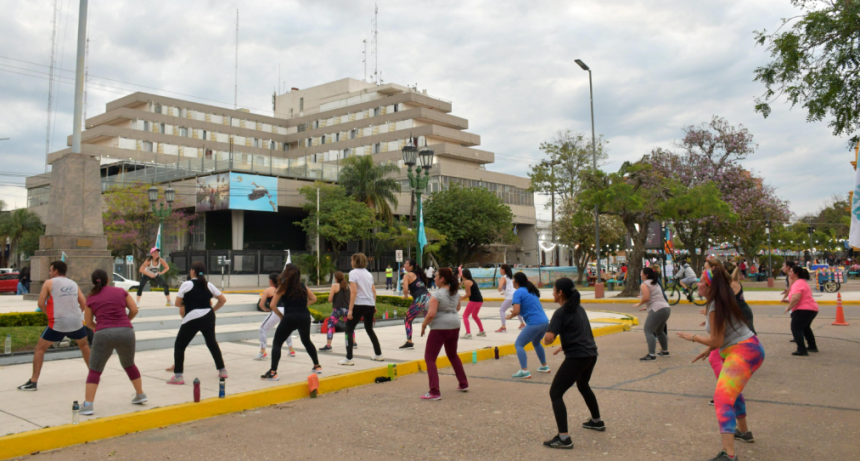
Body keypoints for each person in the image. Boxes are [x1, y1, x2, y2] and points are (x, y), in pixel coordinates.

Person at [677, 267, 764, 461]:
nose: (697, 284)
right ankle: (744, 432)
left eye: (700, 281)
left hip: (744, 351)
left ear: (709, 286)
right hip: (746, 348)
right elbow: (723, 335)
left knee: (722, 398)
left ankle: (729, 455)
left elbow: (716, 340)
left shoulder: (716, 305)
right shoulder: (718, 302)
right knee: (732, 392)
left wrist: (692, 337)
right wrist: (708, 350)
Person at [541, 278, 603, 449]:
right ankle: (597, 421)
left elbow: (548, 338)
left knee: (555, 393)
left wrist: (546, 340)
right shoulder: (579, 309)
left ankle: (563, 438)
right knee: (583, 385)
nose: (553, 293)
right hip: (591, 354)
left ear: (560, 293)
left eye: (554, 290)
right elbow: (581, 332)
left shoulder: (561, 312)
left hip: (577, 357)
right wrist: (564, 345)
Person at [80, 269, 146, 415]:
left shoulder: (91, 297)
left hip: (103, 333)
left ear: (93, 282)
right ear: (108, 279)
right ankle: (140, 394)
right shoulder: (121, 291)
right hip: (126, 332)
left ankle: (88, 405)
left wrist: (100, 328)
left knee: (95, 369)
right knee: (129, 364)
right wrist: (124, 322)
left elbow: (89, 322)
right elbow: (134, 309)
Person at [18, 261, 91, 391]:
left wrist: (49, 315)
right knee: (84, 346)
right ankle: (94, 375)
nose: (49, 272)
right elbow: (84, 303)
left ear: (56, 271)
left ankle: (33, 382)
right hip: (76, 322)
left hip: (58, 322)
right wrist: (75, 315)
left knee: (40, 349)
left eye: (50, 270)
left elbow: (40, 304)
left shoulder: (49, 283)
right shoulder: (74, 283)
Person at [167, 261, 227, 385]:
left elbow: (177, 303)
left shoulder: (186, 284)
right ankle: (222, 370)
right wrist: (211, 310)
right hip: (209, 317)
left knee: (179, 345)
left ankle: (178, 375)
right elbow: (222, 300)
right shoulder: (209, 285)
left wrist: (189, 303)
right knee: (212, 343)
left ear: (193, 271)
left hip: (192, 318)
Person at [260, 263, 322, 380]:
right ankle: (317, 366)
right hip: (304, 316)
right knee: (306, 341)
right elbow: (314, 298)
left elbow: (273, 305)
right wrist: (302, 306)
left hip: (290, 317)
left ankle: (273, 372)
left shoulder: (283, 287)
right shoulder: (302, 286)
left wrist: (281, 316)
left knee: (277, 342)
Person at [419, 267, 469, 400]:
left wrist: (423, 325)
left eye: (436, 276)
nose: (434, 278)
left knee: (430, 358)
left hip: (440, 327)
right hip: (455, 324)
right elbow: (457, 308)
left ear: (442, 279)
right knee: (452, 355)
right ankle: (463, 383)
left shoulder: (437, 295)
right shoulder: (455, 292)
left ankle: (434, 391)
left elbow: (431, 314)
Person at [339, 253, 384, 365]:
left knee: (349, 329)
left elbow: (354, 292)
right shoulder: (368, 274)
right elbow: (373, 291)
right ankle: (378, 354)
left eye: (351, 260)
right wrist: (373, 305)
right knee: (369, 329)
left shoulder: (353, 273)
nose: (351, 262)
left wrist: (350, 310)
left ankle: (349, 358)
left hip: (359, 304)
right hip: (369, 304)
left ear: (355, 262)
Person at [509, 272, 550, 378]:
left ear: (517, 282)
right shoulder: (530, 290)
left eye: (513, 279)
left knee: (519, 344)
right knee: (536, 342)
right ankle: (544, 366)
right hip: (544, 322)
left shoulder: (518, 292)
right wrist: (514, 312)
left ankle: (524, 371)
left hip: (535, 323)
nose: (512, 281)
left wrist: (511, 316)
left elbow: (516, 310)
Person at [253, 273, 294, 361]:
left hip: (276, 310)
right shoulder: (283, 289)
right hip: (286, 310)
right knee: (285, 330)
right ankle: (291, 350)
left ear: (270, 281)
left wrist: (265, 309)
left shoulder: (268, 290)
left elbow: (261, 304)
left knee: (262, 329)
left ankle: (262, 351)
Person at [633, 266, 671, 361]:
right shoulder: (655, 283)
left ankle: (651, 355)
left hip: (658, 309)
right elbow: (657, 297)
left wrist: (639, 303)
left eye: (641, 273)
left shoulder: (644, 284)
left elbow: (646, 297)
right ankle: (665, 351)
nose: (640, 274)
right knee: (659, 331)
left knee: (648, 331)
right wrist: (647, 307)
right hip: (666, 308)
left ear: (646, 275)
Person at [783, 265, 819, 356]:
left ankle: (802, 350)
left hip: (804, 309)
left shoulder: (798, 283)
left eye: (791, 271)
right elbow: (800, 298)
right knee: (805, 328)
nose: (789, 273)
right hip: (810, 308)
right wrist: (789, 301)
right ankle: (812, 346)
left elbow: (796, 298)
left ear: (796, 274)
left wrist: (788, 308)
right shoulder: (801, 282)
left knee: (796, 328)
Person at [320, 271, 355, 352]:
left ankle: (328, 345)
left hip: (337, 310)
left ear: (335, 278)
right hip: (347, 309)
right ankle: (353, 342)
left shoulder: (335, 286)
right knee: (349, 326)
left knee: (330, 325)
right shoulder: (348, 286)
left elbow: (330, 299)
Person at [400, 259, 430, 349]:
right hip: (428, 297)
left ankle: (409, 342)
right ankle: (441, 337)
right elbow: (418, 288)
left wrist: (405, 295)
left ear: (411, 266)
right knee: (429, 319)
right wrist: (410, 294)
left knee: (407, 319)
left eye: (406, 263)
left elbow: (405, 289)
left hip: (420, 300)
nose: (404, 265)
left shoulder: (407, 275)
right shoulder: (418, 274)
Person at [496, 264, 524, 333]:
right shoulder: (510, 278)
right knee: (516, 310)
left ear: (503, 270)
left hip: (510, 297)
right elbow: (510, 288)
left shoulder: (503, 278)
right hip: (515, 295)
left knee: (502, 310)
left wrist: (500, 289)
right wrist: (504, 292)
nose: (499, 270)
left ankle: (503, 327)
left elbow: (500, 287)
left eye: (500, 269)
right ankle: (522, 324)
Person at [459, 268, 485, 339]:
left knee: (465, 316)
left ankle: (468, 333)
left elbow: (468, 294)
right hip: (479, 300)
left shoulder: (467, 282)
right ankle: (482, 331)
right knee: (474, 315)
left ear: (464, 274)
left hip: (474, 300)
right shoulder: (470, 280)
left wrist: (461, 298)